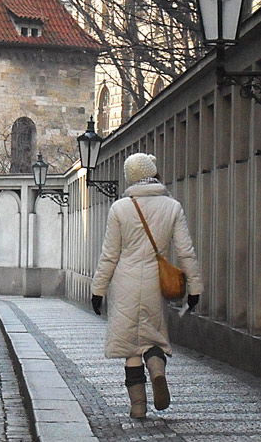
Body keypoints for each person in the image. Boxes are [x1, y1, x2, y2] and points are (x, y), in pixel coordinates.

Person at [90, 152, 202, 419]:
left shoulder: (120, 208)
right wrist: (195, 288)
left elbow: (109, 254)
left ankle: (138, 407)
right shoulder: (172, 206)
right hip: (156, 282)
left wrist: (98, 290)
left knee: (130, 347)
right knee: (154, 338)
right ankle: (157, 371)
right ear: (153, 172)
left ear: (132, 177)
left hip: (124, 282)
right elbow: (186, 251)